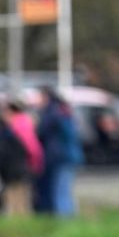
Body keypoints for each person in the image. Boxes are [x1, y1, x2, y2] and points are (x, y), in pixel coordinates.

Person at [34, 87, 84, 216]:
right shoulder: (62, 111)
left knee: (60, 192)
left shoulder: (52, 113)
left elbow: (41, 132)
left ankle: (65, 221)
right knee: (62, 190)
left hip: (60, 157)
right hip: (66, 156)